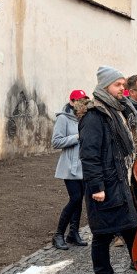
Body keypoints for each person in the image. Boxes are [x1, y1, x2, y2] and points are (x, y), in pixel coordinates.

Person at [79, 66, 137, 274]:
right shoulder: (94, 116)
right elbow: (89, 155)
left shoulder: (117, 111)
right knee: (103, 236)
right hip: (104, 186)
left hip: (120, 182)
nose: (122, 89)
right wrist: (97, 187)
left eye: (124, 85)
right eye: (118, 85)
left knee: (132, 229)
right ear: (105, 87)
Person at [51, 90, 91, 250]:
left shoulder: (84, 116)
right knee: (74, 198)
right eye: (79, 100)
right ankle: (58, 234)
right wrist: (77, 137)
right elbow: (56, 141)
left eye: (84, 99)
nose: (82, 102)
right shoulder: (63, 118)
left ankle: (73, 233)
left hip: (83, 165)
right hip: (69, 166)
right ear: (72, 101)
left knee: (79, 198)